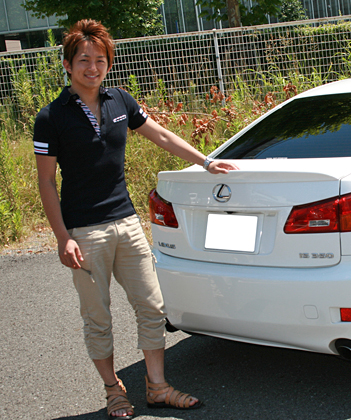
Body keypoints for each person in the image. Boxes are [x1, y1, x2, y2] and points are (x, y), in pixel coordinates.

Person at [33, 19, 238, 419]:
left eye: (100, 60)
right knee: (98, 318)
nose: (92, 67)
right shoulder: (51, 116)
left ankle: (157, 387)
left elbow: (160, 134)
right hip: (84, 231)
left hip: (126, 222)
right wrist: (62, 237)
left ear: (109, 63)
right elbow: (45, 182)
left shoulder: (119, 100)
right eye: (83, 60)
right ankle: (114, 390)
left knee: (151, 305)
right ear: (67, 64)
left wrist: (206, 162)